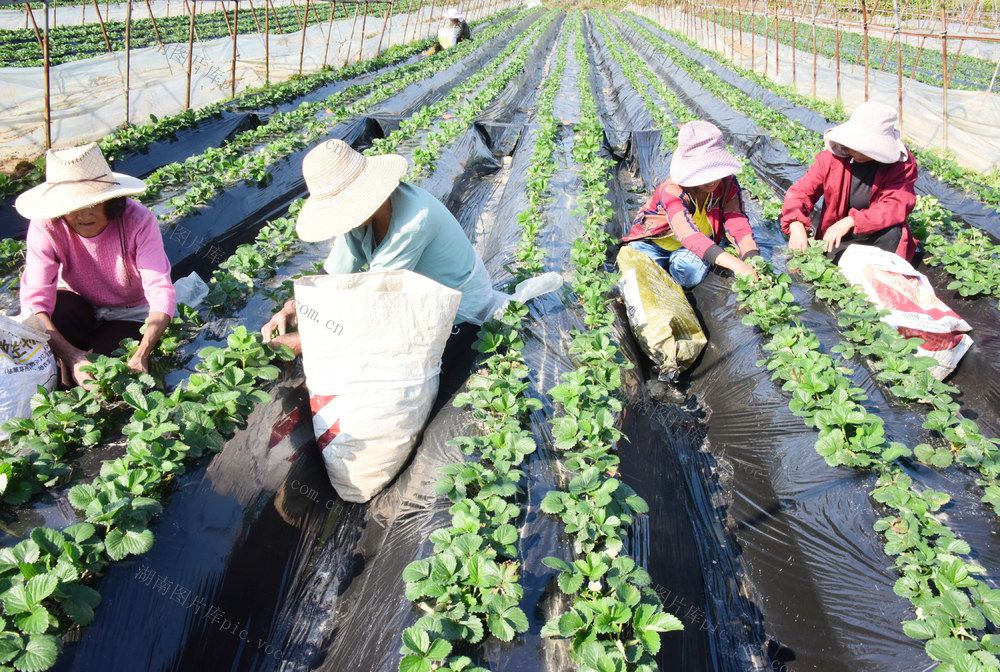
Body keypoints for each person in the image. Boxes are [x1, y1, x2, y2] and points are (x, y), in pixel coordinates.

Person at [260, 139, 492, 362]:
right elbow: (331, 274)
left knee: (393, 363)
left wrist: (304, 341)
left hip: (458, 312)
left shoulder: (413, 221)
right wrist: (294, 305)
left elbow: (373, 303)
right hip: (411, 301)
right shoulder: (360, 219)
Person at [15, 142, 176, 387]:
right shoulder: (46, 227)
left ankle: (88, 387)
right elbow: (35, 300)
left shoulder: (138, 220)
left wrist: (143, 352)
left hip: (129, 311)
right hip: (80, 301)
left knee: (108, 369)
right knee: (60, 313)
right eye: (72, 207)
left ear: (111, 200)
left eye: (93, 203)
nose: (83, 215)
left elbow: (160, 289)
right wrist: (72, 356)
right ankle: (66, 388)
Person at [622, 120, 760, 287]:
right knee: (636, 268)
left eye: (715, 171)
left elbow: (736, 220)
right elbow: (687, 233)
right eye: (704, 173)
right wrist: (735, 263)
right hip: (656, 243)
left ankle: (673, 278)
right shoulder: (672, 190)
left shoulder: (727, 183)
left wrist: (751, 258)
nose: (712, 180)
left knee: (691, 274)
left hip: (692, 248)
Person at [782, 101, 919, 261]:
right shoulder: (831, 160)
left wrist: (852, 220)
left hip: (879, 237)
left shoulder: (901, 166)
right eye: (853, 144)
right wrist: (795, 224)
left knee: (893, 233)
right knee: (836, 264)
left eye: (863, 147)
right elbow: (801, 192)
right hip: (839, 237)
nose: (853, 150)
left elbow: (895, 205)